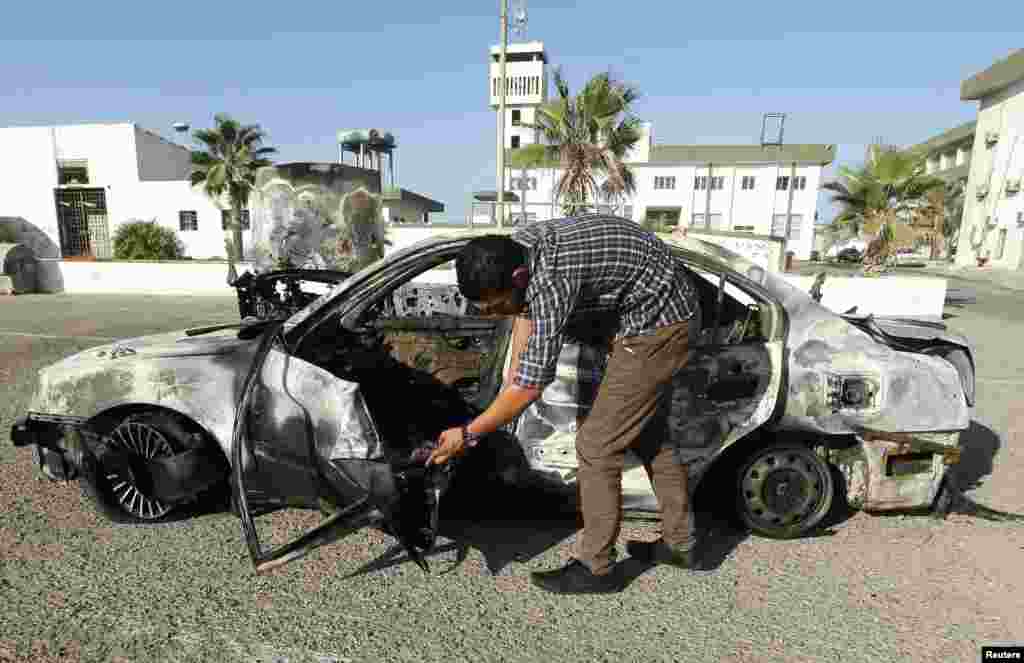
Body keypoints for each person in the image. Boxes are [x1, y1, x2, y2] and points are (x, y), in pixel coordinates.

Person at [428, 214, 703, 594]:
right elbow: (522, 317)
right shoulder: (519, 250)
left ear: (519, 280)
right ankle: (681, 543)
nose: (491, 316)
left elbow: (531, 386)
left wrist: (469, 433)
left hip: (659, 325)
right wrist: (511, 381)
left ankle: (596, 568)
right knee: (648, 434)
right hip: (649, 309)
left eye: (493, 307)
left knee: (596, 446)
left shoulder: (552, 280)